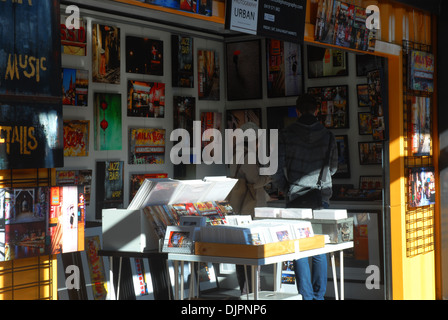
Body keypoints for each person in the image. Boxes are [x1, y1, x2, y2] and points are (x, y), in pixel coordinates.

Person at [273, 94, 338, 300]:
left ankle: (306, 296)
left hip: (295, 199)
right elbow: (333, 168)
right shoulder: (328, 136)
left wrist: (287, 188)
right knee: (319, 248)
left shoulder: (285, 134)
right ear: (317, 111)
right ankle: (319, 296)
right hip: (320, 198)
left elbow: (275, 170)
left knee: (298, 248)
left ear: (297, 111)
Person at [229, 121, 271, 294]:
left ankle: (244, 291)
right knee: (252, 253)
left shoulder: (236, 154)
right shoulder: (248, 156)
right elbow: (256, 181)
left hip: (240, 208)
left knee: (241, 254)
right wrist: (271, 174)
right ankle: (252, 293)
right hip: (250, 210)